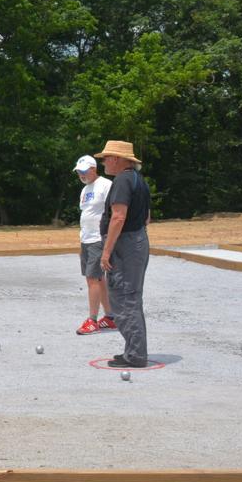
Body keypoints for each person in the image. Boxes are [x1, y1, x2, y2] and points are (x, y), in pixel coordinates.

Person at [96, 140, 152, 368]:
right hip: (137, 239)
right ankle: (134, 350)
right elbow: (147, 217)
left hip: (125, 245)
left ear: (117, 159)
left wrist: (106, 251)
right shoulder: (139, 180)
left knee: (123, 297)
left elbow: (118, 217)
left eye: (107, 158)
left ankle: (135, 355)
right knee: (131, 297)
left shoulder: (121, 181)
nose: (104, 162)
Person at [73, 155, 115, 335]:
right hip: (87, 239)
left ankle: (92, 320)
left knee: (92, 279)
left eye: (84, 171)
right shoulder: (85, 190)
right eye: (78, 172)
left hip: (99, 238)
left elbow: (116, 209)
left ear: (93, 169)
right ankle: (111, 317)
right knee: (98, 279)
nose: (81, 175)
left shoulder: (106, 185)